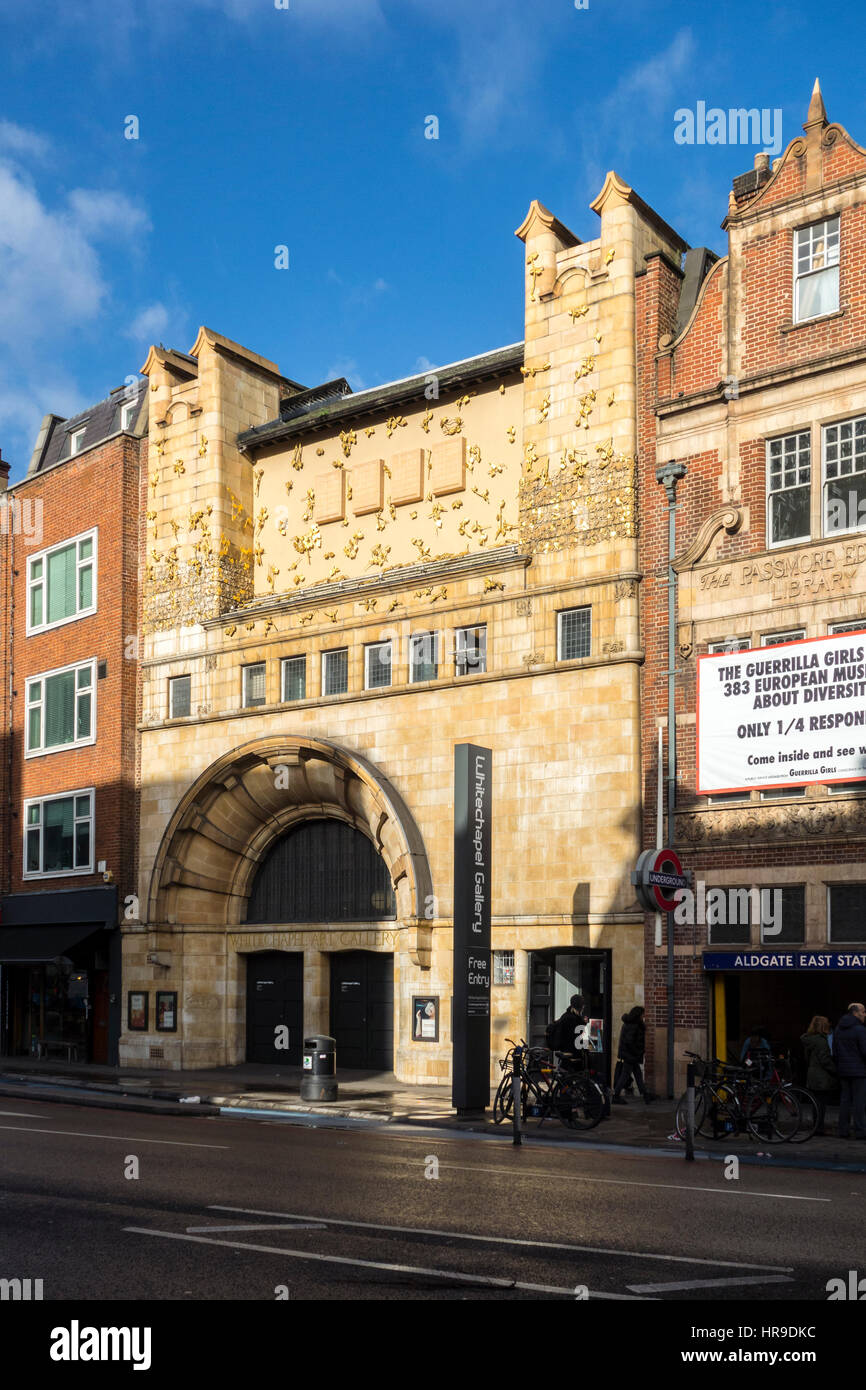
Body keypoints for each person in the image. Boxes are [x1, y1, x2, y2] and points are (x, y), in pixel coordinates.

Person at [832, 1003, 866, 1140]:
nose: (865, 1014)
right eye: (863, 1011)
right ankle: (860, 1131)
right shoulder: (860, 1029)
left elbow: (834, 1051)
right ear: (855, 1013)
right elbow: (865, 1051)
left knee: (845, 1101)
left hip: (843, 1070)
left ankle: (843, 1130)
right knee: (859, 1102)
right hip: (859, 1071)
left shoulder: (838, 1029)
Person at [800, 1015, 837, 1135]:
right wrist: (835, 1070)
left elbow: (807, 1058)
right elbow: (825, 1060)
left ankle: (816, 1126)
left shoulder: (810, 1039)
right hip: (821, 1076)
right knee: (821, 1103)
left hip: (812, 1074)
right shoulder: (821, 1041)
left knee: (815, 1103)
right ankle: (819, 1128)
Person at [612, 1005, 654, 1104]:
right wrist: (637, 1052)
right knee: (625, 1075)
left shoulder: (631, 1024)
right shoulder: (633, 1025)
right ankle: (615, 1096)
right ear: (638, 1015)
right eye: (642, 1014)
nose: (644, 1016)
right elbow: (629, 1042)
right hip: (630, 1055)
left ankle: (645, 1095)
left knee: (637, 1074)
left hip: (630, 1055)